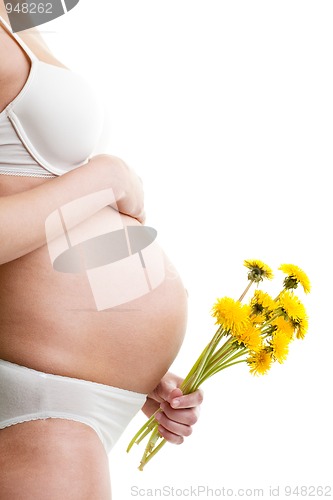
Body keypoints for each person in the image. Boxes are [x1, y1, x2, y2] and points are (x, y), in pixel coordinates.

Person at [0, 3, 203, 499]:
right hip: (43, 398)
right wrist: (101, 179)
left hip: (60, 395)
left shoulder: (18, 14)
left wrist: (133, 372)